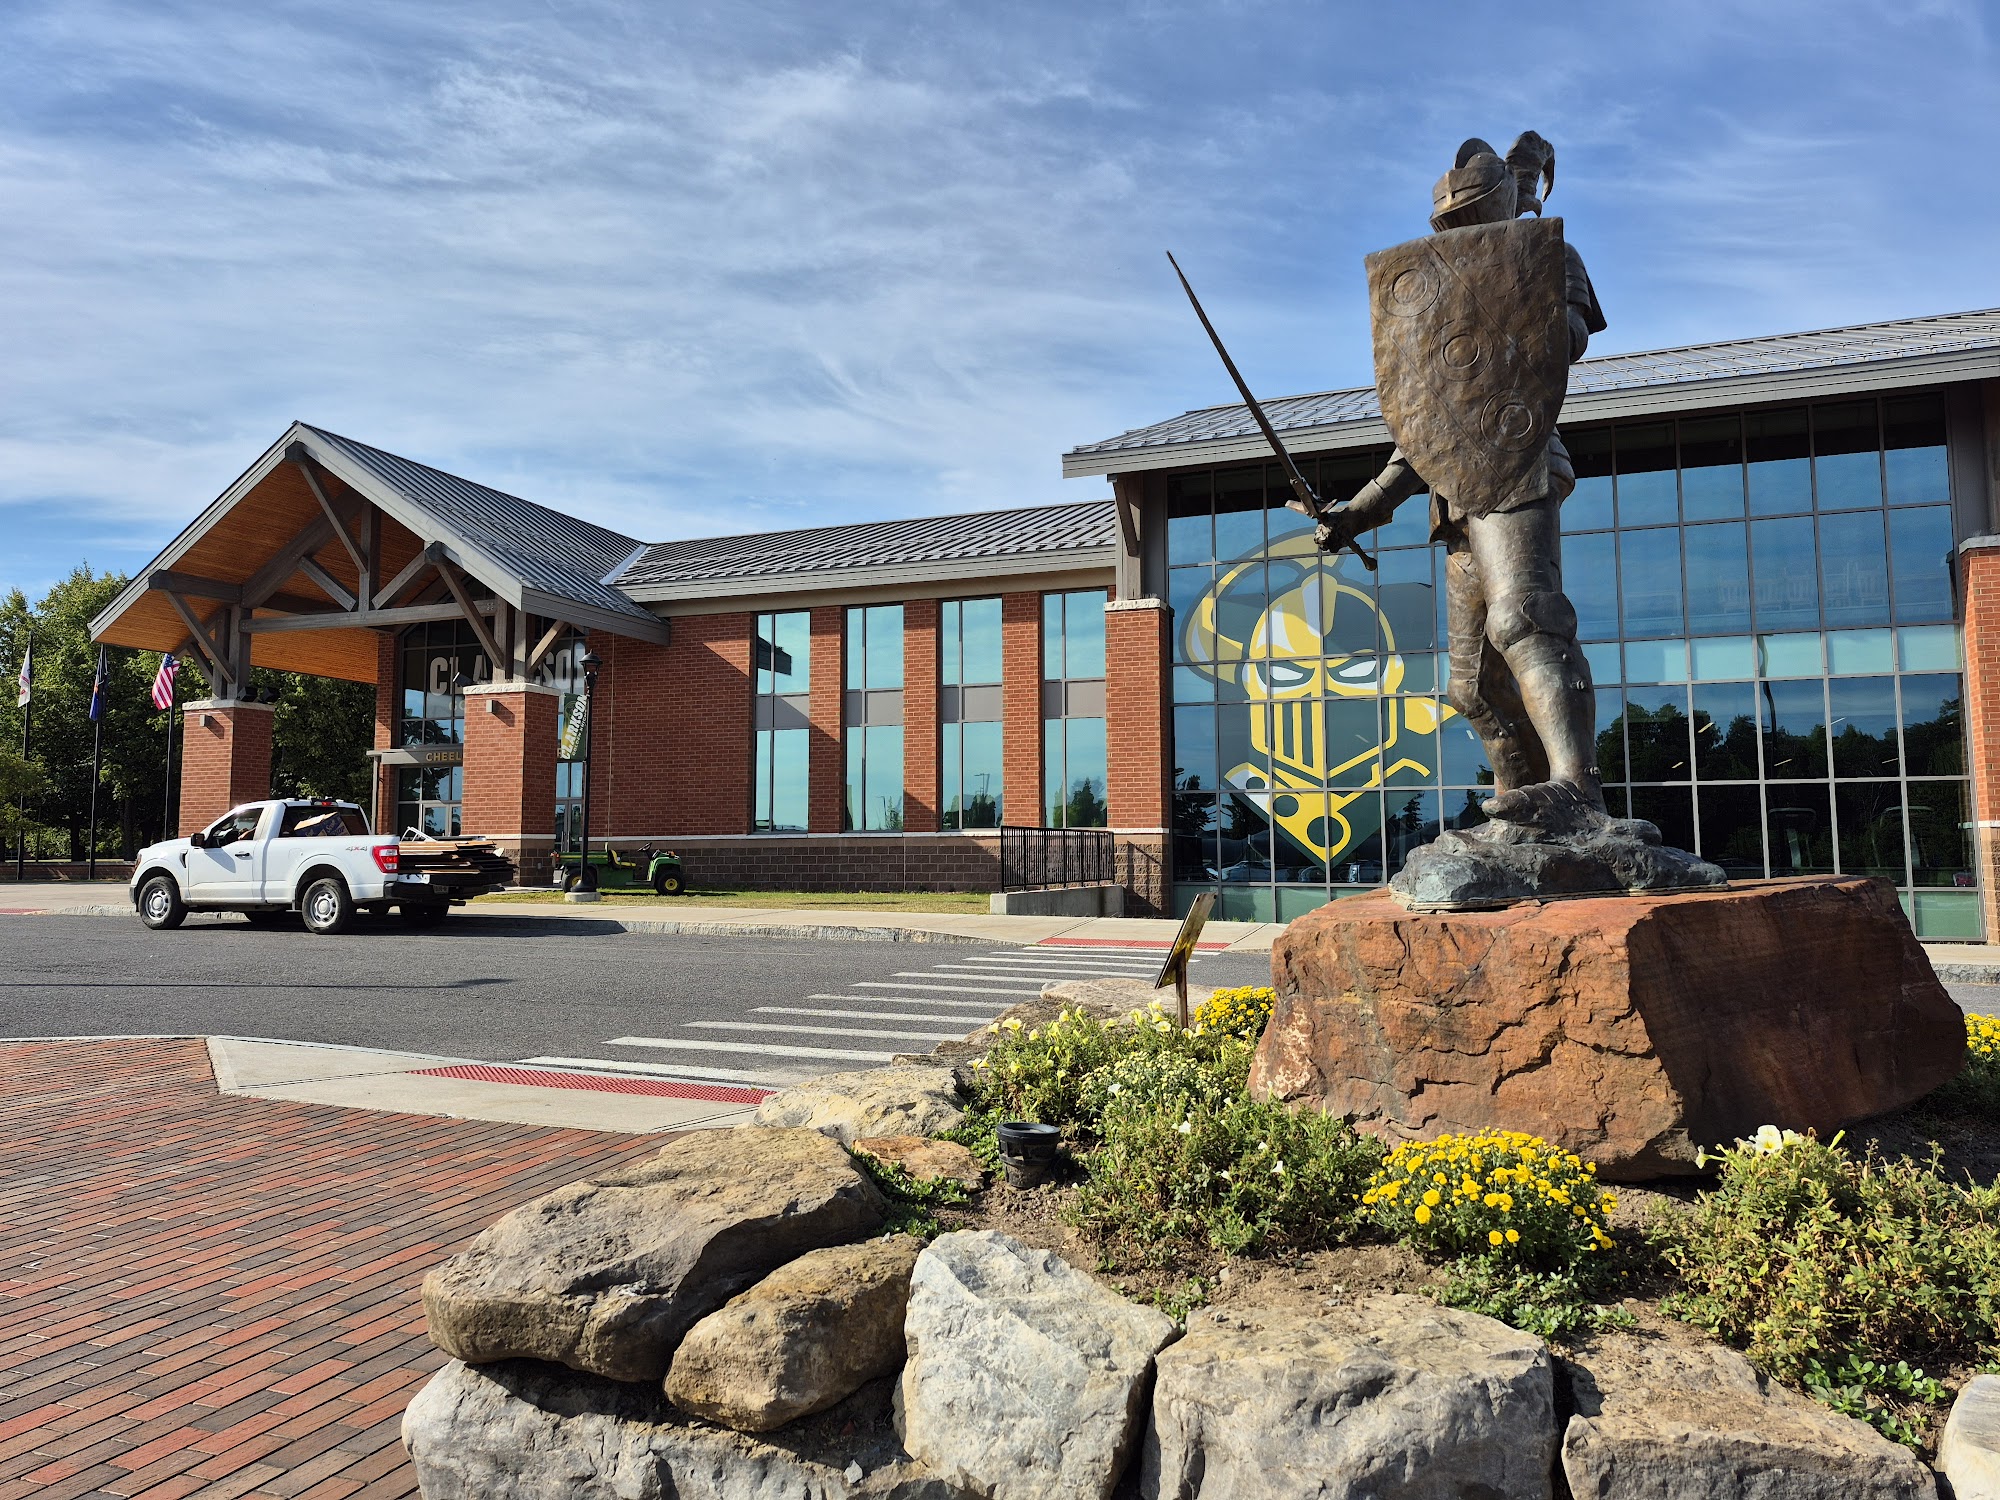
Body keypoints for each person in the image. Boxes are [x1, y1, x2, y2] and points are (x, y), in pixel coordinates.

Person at [1314, 133, 1612, 835]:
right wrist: (1354, 515)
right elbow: (1422, 435)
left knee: (1524, 618)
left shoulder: (1547, 258)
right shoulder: (1438, 288)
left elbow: (1555, 346)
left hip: (1517, 456)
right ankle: (1522, 813)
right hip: (1457, 485)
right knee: (1471, 686)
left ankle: (1578, 788)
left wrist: (1523, 260)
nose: (1459, 230)